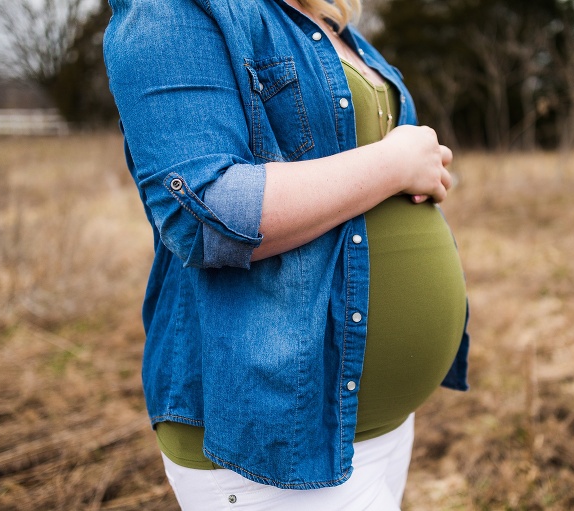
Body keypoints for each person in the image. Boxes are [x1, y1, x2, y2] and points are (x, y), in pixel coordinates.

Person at [104, 0, 470, 509]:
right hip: (275, 437)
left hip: (371, 427)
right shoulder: (170, 12)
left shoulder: (324, 18)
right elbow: (204, 211)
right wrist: (392, 164)